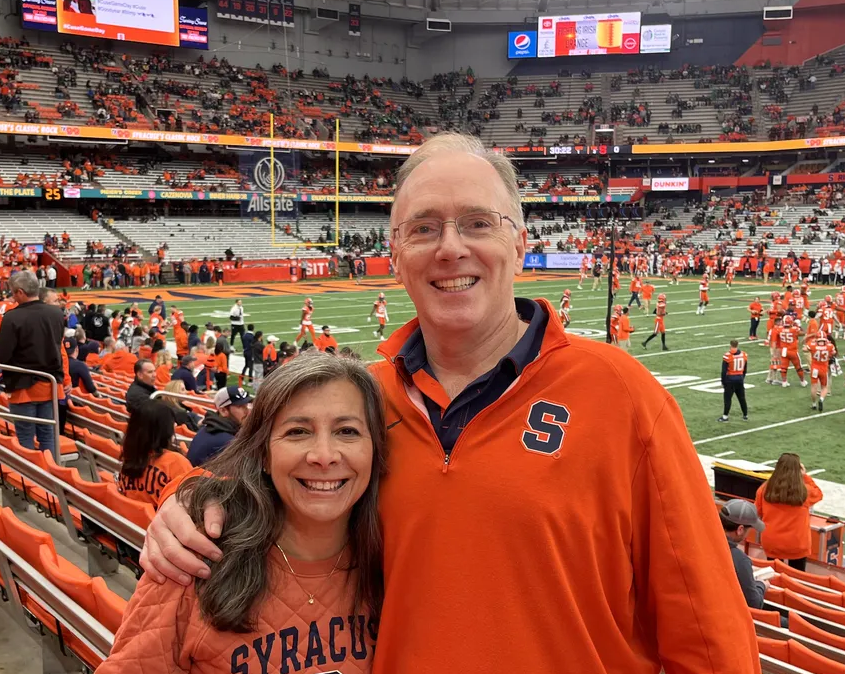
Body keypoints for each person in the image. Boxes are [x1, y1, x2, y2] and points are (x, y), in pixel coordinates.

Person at [139, 133, 761, 674]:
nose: (450, 248)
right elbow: (250, 478)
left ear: (519, 243)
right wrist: (191, 503)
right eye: (424, 228)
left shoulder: (623, 394)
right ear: (397, 254)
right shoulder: (356, 402)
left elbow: (710, 638)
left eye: (477, 223)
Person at [99, 353, 386, 673]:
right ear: (262, 452)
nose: (323, 455)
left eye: (347, 431)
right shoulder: (191, 557)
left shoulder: (394, 560)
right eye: (297, 432)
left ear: (375, 449)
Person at [0, 271, 66, 452]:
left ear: (20, 292)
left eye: (13, 292)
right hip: (49, 382)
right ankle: (50, 474)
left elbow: (2, 355)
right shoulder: (56, 312)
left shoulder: (13, 317)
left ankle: (30, 478)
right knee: (47, 434)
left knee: (25, 437)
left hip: (23, 385)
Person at [117, 401, 193, 509]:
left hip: (135, 521)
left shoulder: (130, 455)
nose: (175, 425)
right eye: (171, 422)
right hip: (163, 523)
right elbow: (194, 502)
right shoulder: (175, 462)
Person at [755, 453, 823, 572]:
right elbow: (818, 493)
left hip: (772, 540)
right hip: (797, 543)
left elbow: (758, 512)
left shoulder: (764, 489)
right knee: (797, 579)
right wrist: (805, 476)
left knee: (772, 576)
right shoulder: (804, 491)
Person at [719, 499, 768, 610]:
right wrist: (761, 585)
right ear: (740, 529)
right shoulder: (740, 559)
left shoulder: (701, 542)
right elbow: (754, 604)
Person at [187, 386, 252, 466]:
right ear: (223, 411)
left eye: (246, 405)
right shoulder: (226, 442)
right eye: (240, 406)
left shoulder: (210, 428)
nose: (247, 411)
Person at [718, 340, 748, 422]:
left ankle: (725, 416)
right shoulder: (744, 355)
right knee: (742, 398)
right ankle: (745, 415)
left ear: (730, 345)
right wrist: (742, 377)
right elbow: (745, 369)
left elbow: (724, 371)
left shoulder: (728, 356)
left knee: (727, 399)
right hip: (740, 378)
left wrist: (723, 381)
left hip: (730, 379)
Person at [808, 332, 835, 412]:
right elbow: (833, 353)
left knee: (814, 386)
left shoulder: (813, 345)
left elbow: (805, 349)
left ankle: (813, 404)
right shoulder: (830, 346)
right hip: (823, 369)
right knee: (824, 387)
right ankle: (821, 399)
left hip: (815, 368)